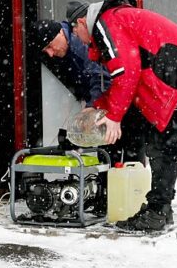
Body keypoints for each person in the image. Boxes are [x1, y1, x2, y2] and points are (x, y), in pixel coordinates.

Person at [67, 0, 177, 232]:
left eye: (75, 32)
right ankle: (161, 210)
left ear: (82, 22)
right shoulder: (115, 19)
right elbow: (125, 77)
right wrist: (99, 105)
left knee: (165, 145)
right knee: (162, 143)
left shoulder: (107, 22)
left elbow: (126, 71)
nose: (78, 38)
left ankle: (157, 213)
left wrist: (114, 117)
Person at [33, 17, 145, 164]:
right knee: (111, 152)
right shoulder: (64, 47)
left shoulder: (80, 45)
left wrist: (91, 106)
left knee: (124, 152)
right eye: (45, 50)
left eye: (49, 46)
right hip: (108, 103)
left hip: (122, 101)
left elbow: (101, 77)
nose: (50, 53)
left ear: (60, 33)